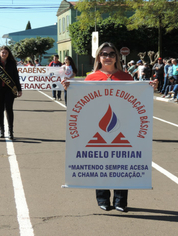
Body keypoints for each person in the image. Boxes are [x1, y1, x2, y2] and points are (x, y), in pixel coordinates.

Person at [62, 42, 133, 212]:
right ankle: (103, 199)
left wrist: (149, 87)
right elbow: (83, 100)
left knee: (122, 165)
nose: (107, 57)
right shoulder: (91, 78)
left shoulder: (127, 77)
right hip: (96, 128)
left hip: (123, 127)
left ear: (116, 57)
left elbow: (136, 99)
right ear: (98, 57)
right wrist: (70, 88)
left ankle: (120, 201)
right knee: (100, 165)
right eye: (104, 54)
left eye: (111, 54)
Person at [0, 46, 22, 140]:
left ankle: (10, 131)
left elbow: (16, 77)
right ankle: (1, 130)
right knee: (0, 109)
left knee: (9, 109)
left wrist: (19, 89)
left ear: (8, 54)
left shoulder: (12, 63)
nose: (4, 54)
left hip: (9, 89)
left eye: (6, 53)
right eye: (2, 52)